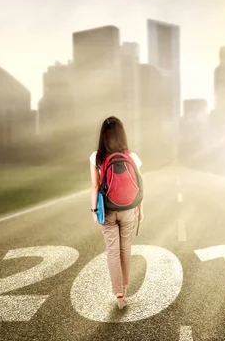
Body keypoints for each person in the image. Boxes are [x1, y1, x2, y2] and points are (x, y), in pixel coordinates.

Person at [90, 116, 143, 310]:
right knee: (125, 250)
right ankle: (125, 290)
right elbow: (138, 184)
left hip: (108, 209)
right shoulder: (132, 157)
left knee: (112, 251)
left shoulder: (97, 157)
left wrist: (94, 210)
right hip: (129, 209)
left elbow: (95, 186)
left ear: (103, 135)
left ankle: (118, 294)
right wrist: (140, 210)